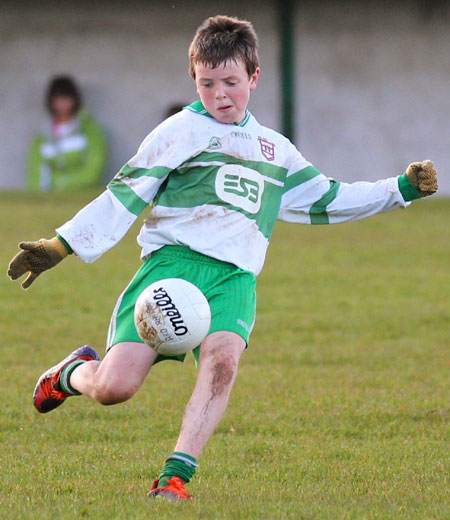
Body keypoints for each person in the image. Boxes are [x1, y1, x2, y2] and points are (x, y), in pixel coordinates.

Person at [8, 15, 438, 502]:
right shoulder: (179, 131)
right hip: (171, 268)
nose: (220, 95)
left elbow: (327, 198)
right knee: (114, 388)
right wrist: (59, 245)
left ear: (254, 78)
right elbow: (124, 195)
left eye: (231, 82)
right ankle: (71, 372)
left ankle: (174, 478)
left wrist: (399, 189)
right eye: (207, 83)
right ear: (195, 78)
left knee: (222, 364)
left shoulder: (275, 150)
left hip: (234, 280)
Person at [28, 75, 106, 191]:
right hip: (50, 200)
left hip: (83, 196)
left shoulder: (90, 131)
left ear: (75, 100)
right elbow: (35, 173)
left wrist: (64, 183)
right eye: (58, 99)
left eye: (66, 98)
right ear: (51, 101)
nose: (62, 103)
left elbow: (94, 169)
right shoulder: (42, 135)